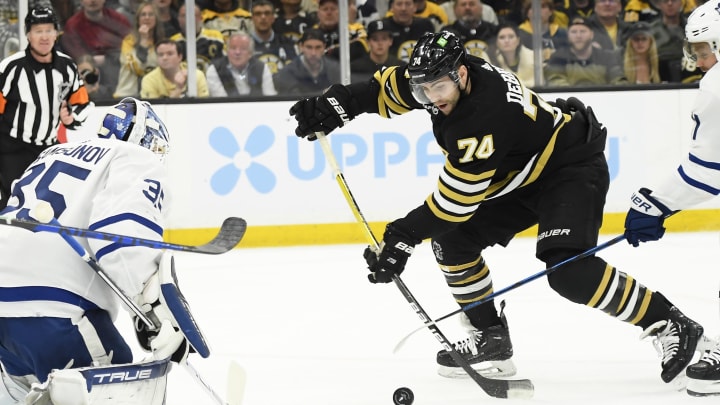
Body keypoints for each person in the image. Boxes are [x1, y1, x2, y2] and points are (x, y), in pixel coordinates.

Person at [288, 29, 707, 386]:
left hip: (569, 166)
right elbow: (386, 89)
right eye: (424, 90)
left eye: (439, 89)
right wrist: (335, 105)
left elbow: (453, 204)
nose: (432, 100)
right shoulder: (446, 74)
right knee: (453, 244)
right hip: (521, 174)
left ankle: (669, 321)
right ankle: (491, 338)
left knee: (568, 272)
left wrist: (400, 237)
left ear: (462, 74)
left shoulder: (481, 119)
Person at [0, 97, 195, 405]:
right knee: (123, 391)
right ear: (145, 138)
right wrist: (155, 315)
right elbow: (121, 240)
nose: (157, 157)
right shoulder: (135, 157)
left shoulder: (51, 153)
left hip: (4, 323)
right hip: (58, 315)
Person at [623, 0, 720, 396]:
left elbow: (706, 172)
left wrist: (655, 204)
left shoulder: (716, 86)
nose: (697, 59)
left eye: (702, 49)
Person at [0, 5, 93, 209]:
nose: (44, 36)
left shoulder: (67, 67)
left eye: (49, 30)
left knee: (45, 204)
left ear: (56, 33)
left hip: (47, 149)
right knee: (12, 203)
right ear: (28, 35)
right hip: (12, 149)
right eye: (38, 31)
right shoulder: (10, 68)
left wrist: (72, 118)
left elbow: (83, 104)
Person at [60, 0, 132, 95]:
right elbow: (77, 55)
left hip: (116, 67)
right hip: (85, 71)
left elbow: (129, 48)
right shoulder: (72, 25)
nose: (92, 1)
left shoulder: (119, 20)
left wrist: (108, 58)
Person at [544, 17, 626, 85]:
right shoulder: (558, 57)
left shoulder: (607, 57)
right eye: (574, 32)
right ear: (568, 35)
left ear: (592, 34)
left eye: (583, 31)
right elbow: (555, 82)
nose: (578, 36)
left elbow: (618, 81)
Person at [115, 1, 165, 98]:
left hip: (154, 95)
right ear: (138, 20)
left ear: (156, 19)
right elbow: (136, 67)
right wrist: (143, 41)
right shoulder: (129, 41)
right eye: (143, 15)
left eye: (151, 14)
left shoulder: (161, 43)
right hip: (127, 95)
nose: (147, 17)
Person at [206, 31, 277, 96]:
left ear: (250, 53)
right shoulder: (214, 69)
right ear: (227, 51)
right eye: (233, 48)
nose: (237, 52)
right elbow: (221, 101)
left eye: (243, 48)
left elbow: (270, 98)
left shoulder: (262, 68)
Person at [273, 28, 341, 95]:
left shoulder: (335, 69)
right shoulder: (287, 73)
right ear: (301, 47)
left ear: (324, 47)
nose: (313, 53)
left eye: (318, 47)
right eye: (309, 47)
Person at [140, 39, 210, 98]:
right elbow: (152, 111)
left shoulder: (196, 75)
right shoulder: (149, 80)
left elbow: (204, 105)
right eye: (161, 55)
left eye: (170, 54)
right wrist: (178, 89)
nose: (165, 58)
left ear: (179, 57)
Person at [170, 3, 226, 73]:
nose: (188, 19)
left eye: (192, 15)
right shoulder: (173, 42)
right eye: (184, 16)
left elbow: (226, 63)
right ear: (178, 19)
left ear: (201, 18)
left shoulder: (216, 37)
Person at [250, 0, 297, 75]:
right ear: (252, 19)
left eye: (267, 13)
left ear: (273, 18)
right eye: (258, 14)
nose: (263, 17)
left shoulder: (287, 43)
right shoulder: (243, 46)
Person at [490, 21, 537, 86]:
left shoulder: (533, 57)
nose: (506, 41)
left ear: (518, 41)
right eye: (502, 37)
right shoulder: (489, 60)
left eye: (511, 37)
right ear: (496, 42)